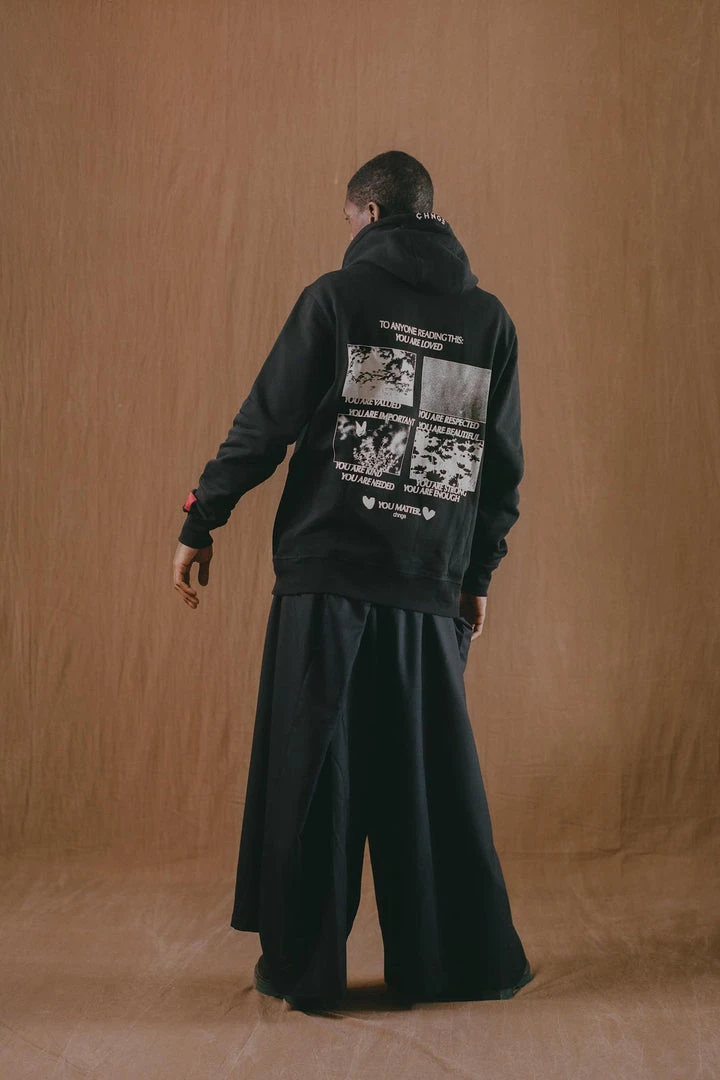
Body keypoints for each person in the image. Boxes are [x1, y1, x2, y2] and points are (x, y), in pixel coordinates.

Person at [172, 150, 533, 1012]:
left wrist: (200, 517)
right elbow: (501, 471)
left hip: (326, 579)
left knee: (315, 780)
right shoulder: (489, 320)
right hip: (426, 587)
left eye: (348, 219)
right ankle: (451, 967)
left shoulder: (336, 300)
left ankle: (307, 972)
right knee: (425, 790)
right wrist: (475, 575)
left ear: (368, 214)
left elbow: (266, 424)